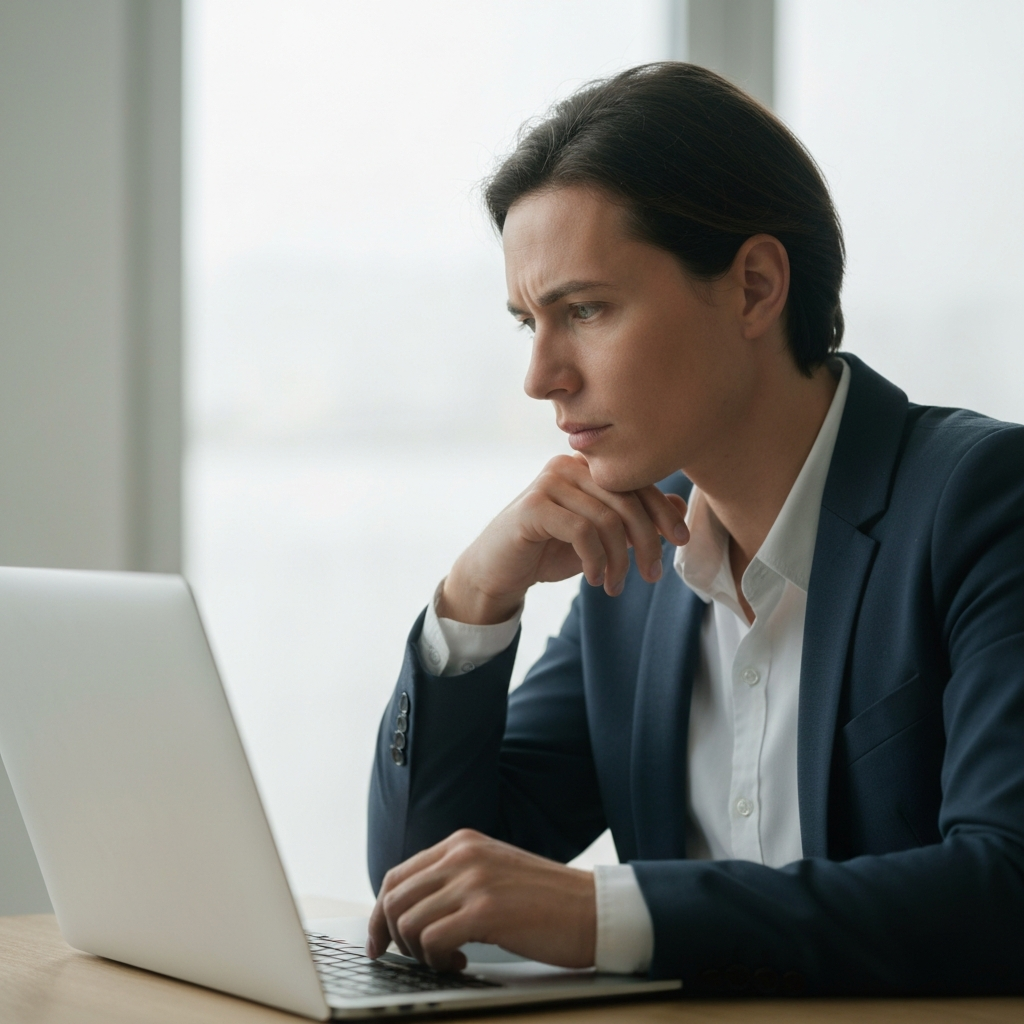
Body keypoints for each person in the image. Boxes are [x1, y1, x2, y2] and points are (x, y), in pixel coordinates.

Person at [364, 63, 1024, 995]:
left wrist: (601, 913)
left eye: (585, 310)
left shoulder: (984, 502)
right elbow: (422, 894)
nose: (542, 376)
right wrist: (474, 599)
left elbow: (1005, 887)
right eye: (528, 324)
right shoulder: (634, 567)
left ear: (754, 287)